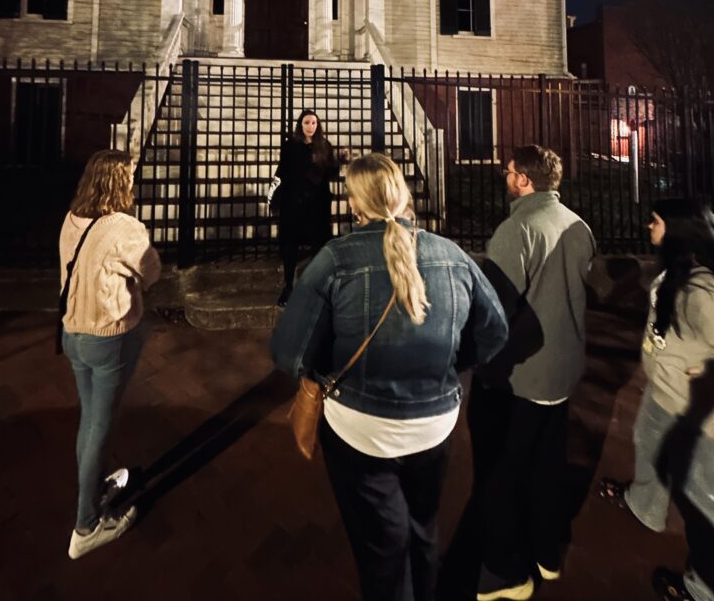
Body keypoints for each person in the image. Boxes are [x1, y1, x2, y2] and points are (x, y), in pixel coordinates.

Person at [271, 152, 508, 601]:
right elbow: (494, 330)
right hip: (435, 422)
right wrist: (444, 365)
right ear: (403, 196)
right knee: (424, 527)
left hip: (361, 427)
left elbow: (289, 352)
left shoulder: (335, 259)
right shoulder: (452, 255)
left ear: (354, 204)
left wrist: (325, 371)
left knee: (381, 547)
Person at [469, 144, 596, 601]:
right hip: (564, 370)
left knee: (501, 475)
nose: (505, 178)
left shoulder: (516, 228)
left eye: (508, 173)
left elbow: (492, 312)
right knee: (547, 464)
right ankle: (547, 552)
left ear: (524, 179)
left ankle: (507, 572)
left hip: (520, 376)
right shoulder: (578, 225)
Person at [598, 198, 714, 601]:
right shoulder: (673, 270)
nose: (650, 226)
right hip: (662, 391)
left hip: (693, 412)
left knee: (701, 503)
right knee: (645, 444)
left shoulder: (701, 289)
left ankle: (702, 589)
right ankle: (645, 504)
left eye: (657, 221)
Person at [60, 148, 161, 559]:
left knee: (89, 420)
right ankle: (87, 526)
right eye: (130, 178)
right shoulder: (125, 227)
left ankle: (95, 486)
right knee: (100, 425)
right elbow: (151, 271)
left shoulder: (72, 219)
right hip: (108, 335)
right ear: (119, 183)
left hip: (72, 331)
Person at [274, 108, 348, 306]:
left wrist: (339, 161)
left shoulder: (324, 146)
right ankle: (289, 285)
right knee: (291, 244)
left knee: (319, 244)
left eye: (314, 123)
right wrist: (277, 198)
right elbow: (284, 171)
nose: (310, 126)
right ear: (301, 125)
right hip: (294, 201)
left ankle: (316, 287)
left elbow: (330, 174)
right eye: (307, 122)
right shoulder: (291, 146)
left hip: (317, 203)